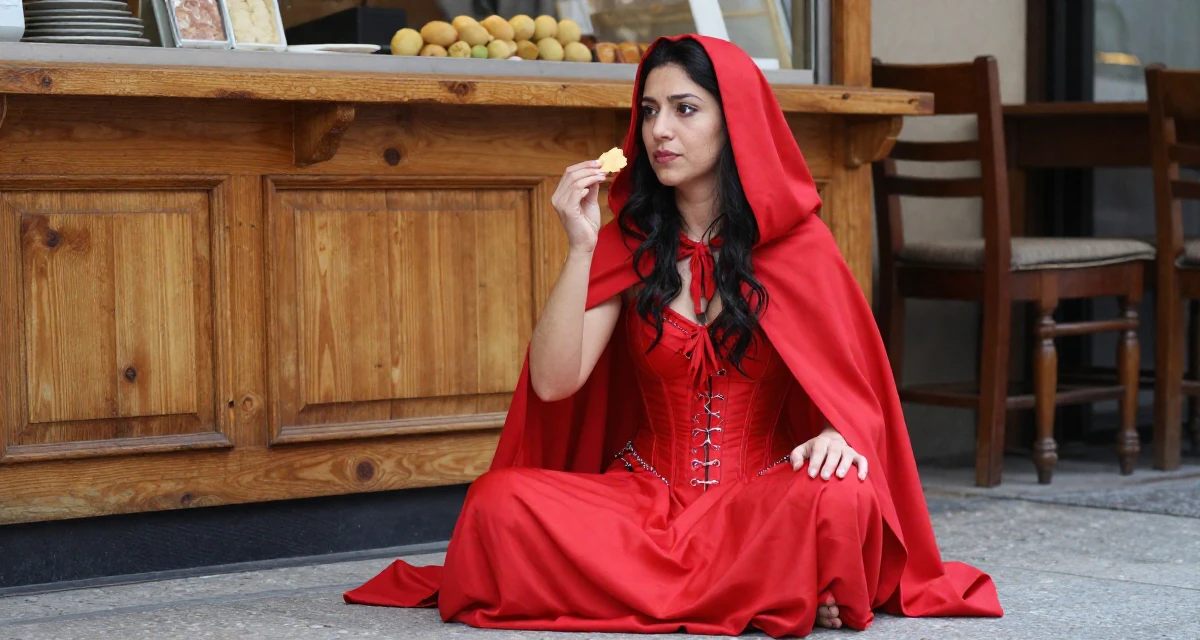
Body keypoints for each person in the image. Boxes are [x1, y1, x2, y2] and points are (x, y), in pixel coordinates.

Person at [344, 34, 1004, 637]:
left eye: (685, 109)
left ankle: (735, 583)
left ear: (733, 120)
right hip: (645, 502)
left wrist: (839, 432)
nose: (660, 130)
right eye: (651, 111)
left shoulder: (801, 249)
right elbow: (554, 381)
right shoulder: (626, 245)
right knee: (497, 503)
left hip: (760, 501)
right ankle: (774, 589)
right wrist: (579, 252)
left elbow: (859, 398)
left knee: (843, 496)